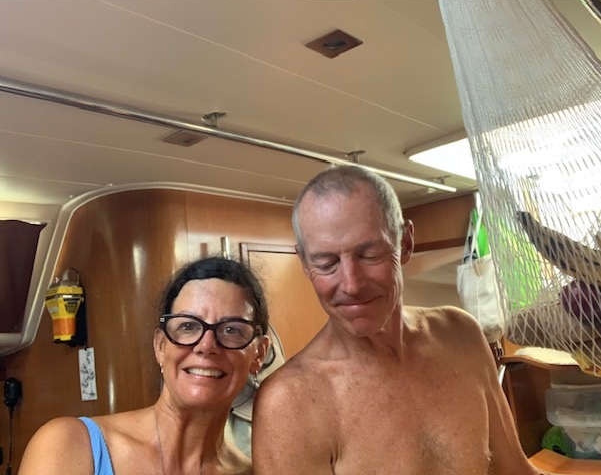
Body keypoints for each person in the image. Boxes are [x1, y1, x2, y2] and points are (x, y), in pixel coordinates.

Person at [252, 165, 538, 474]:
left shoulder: (461, 334)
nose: (351, 284)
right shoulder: (290, 403)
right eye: (326, 263)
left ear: (405, 243)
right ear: (305, 263)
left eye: (369, 255)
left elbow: (514, 470)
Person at [19, 256, 270, 475]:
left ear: (258, 354)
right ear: (160, 346)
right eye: (188, 326)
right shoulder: (68, 445)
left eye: (231, 330)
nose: (206, 345)